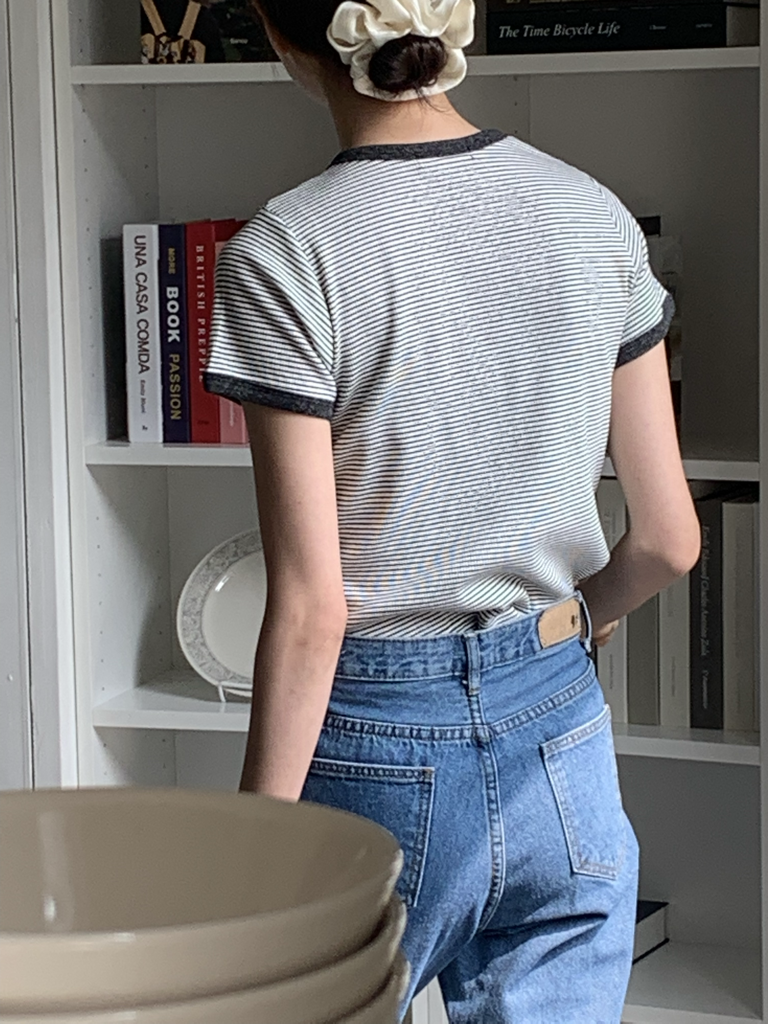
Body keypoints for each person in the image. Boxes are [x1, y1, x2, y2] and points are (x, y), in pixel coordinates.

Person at [202, 1, 702, 1021]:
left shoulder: (285, 250)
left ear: (279, 37)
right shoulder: (593, 213)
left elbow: (313, 612)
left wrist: (252, 859)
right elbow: (668, 541)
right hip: (561, 728)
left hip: (375, 740)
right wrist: (575, 623)